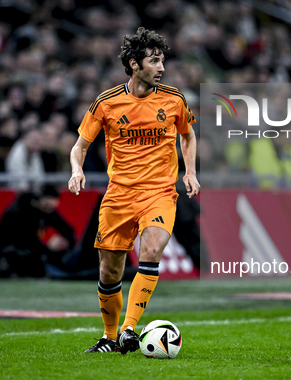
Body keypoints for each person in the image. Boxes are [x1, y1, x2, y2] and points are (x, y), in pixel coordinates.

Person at [68, 27, 199, 354]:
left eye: (162, 60)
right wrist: (76, 170)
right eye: (154, 61)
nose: (162, 68)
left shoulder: (174, 99)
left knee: (151, 251)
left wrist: (191, 172)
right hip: (119, 196)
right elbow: (80, 146)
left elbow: (188, 135)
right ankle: (109, 337)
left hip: (159, 192)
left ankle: (129, 328)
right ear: (133, 63)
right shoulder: (106, 103)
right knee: (109, 270)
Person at [0, 185, 76, 278]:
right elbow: (26, 241)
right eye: (47, 206)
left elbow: (67, 230)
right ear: (39, 199)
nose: (49, 210)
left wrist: (64, 242)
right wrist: (48, 247)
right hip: (12, 251)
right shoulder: (19, 212)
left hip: (31, 250)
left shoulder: (47, 210)